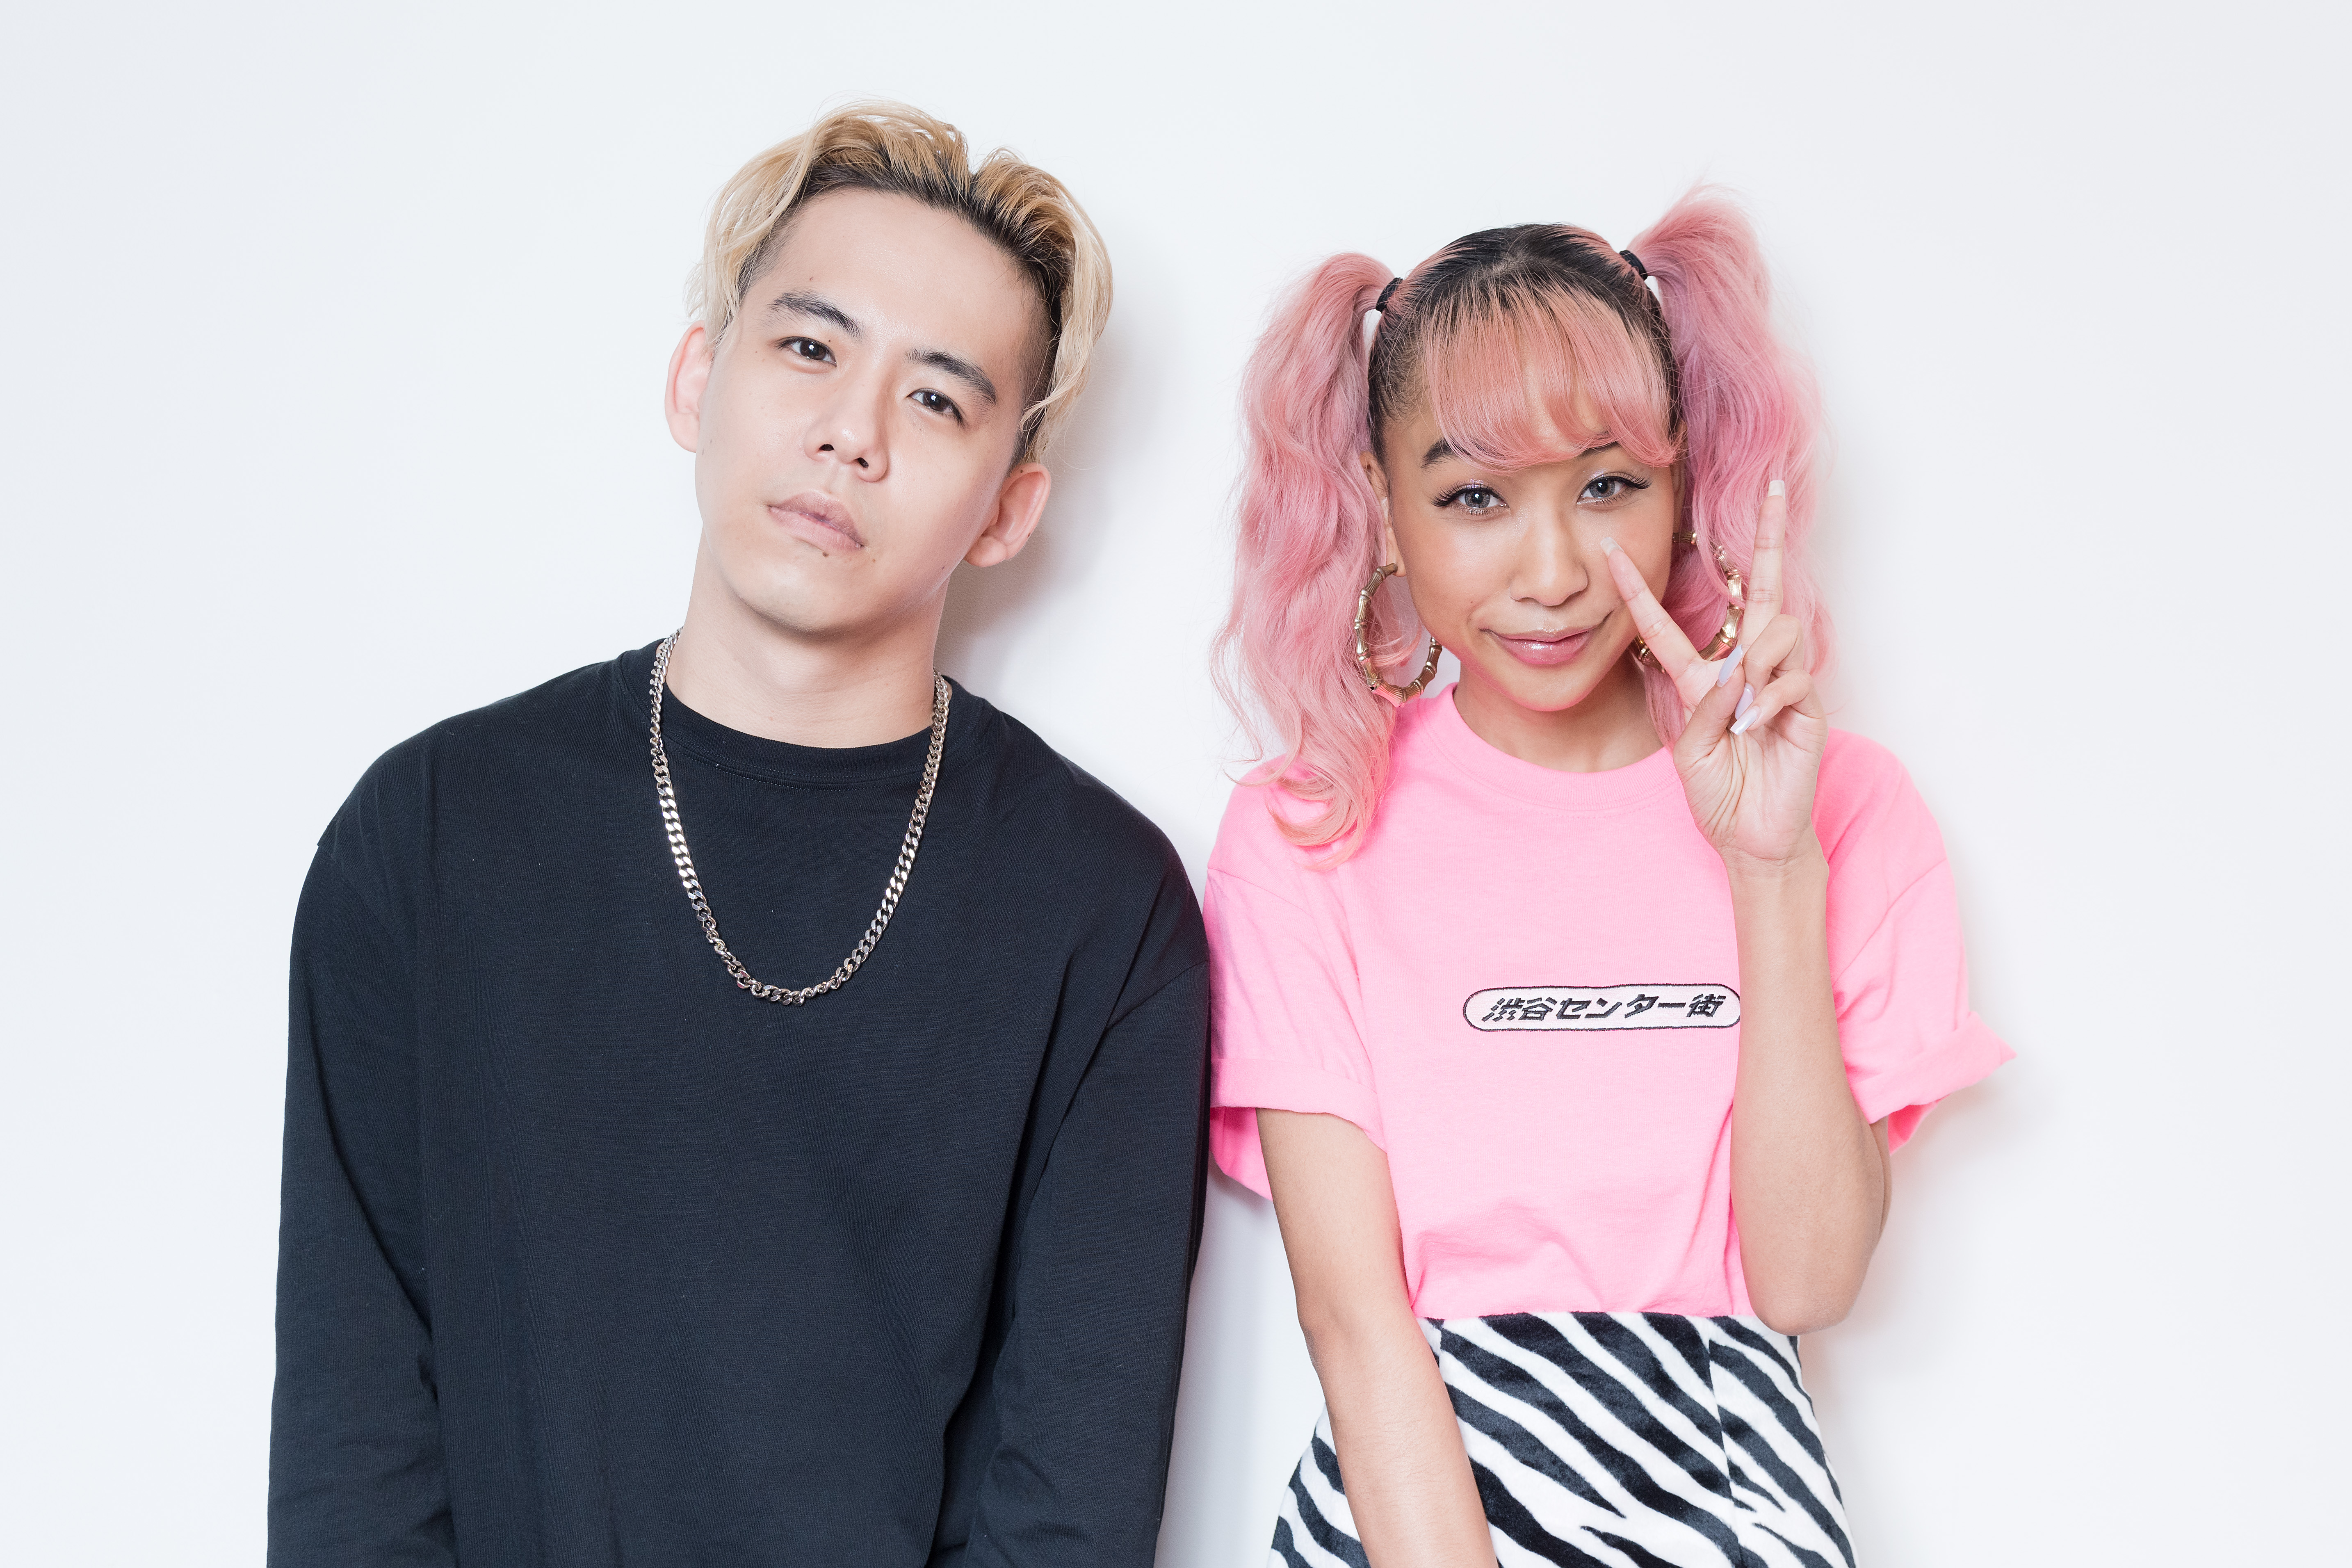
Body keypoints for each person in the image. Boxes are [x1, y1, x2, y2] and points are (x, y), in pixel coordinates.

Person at [268, 103, 1209, 1568]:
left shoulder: (1105, 911)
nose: (851, 433)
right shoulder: (433, 835)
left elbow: (1069, 1503)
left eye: (937, 399)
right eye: (812, 348)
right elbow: (356, 1448)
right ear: (698, 377)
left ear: (1008, 509)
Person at [1209, 196, 2011, 1568]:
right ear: (1383, 515)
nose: (1554, 572)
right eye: (1474, 497)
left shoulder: (1845, 807)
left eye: (1608, 486)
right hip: (1411, 1512)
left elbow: (1807, 1280)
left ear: (1686, 487)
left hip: (1735, 1500)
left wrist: (1770, 868)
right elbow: (1354, 1323)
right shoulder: (1307, 829)